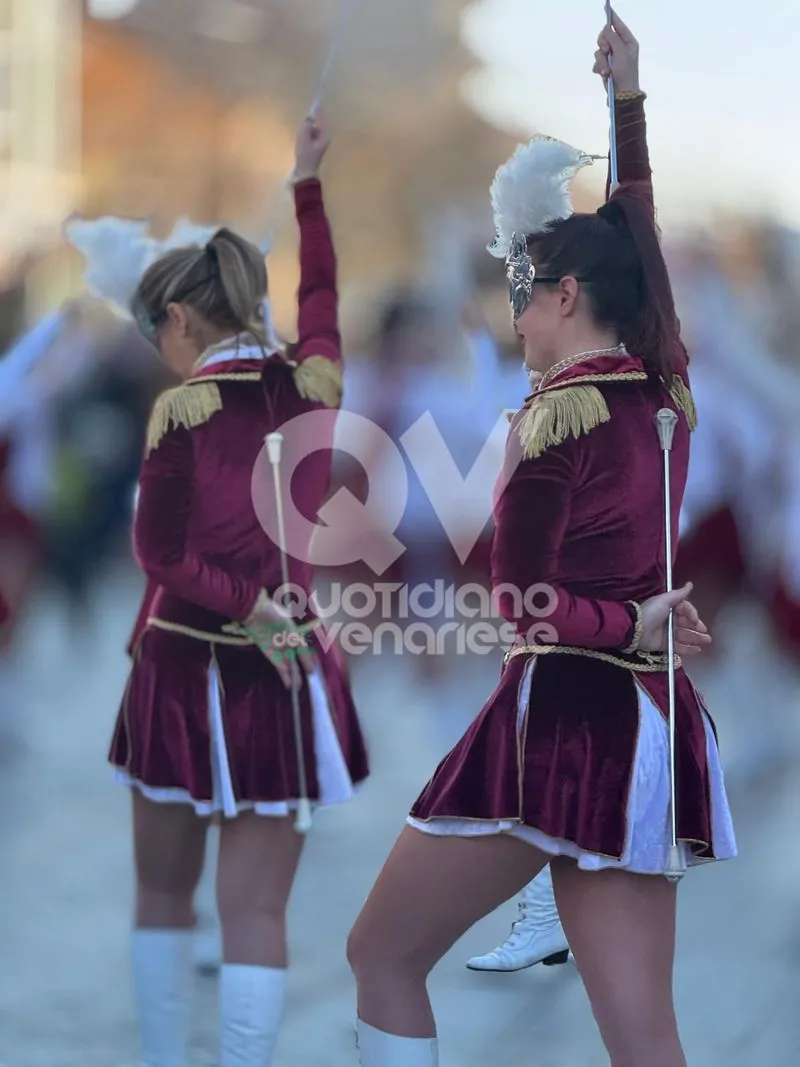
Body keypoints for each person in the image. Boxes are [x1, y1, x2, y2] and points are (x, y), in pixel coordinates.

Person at [346, 15, 736, 1067]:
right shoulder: (661, 381)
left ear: (567, 296)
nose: (513, 320)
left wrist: (624, 616)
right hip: (650, 720)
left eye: (524, 297)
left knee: (378, 953)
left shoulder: (552, 418)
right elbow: (639, 248)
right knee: (643, 1032)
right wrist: (627, 103)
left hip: (561, 721)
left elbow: (518, 602)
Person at [105, 115, 369, 1067]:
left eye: (155, 330)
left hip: (187, 665)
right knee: (256, 907)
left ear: (180, 321)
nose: (156, 350)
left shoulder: (183, 407)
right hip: (289, 673)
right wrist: (307, 184)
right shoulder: (313, 383)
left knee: (165, 894)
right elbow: (327, 291)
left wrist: (244, 604)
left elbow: (157, 552)